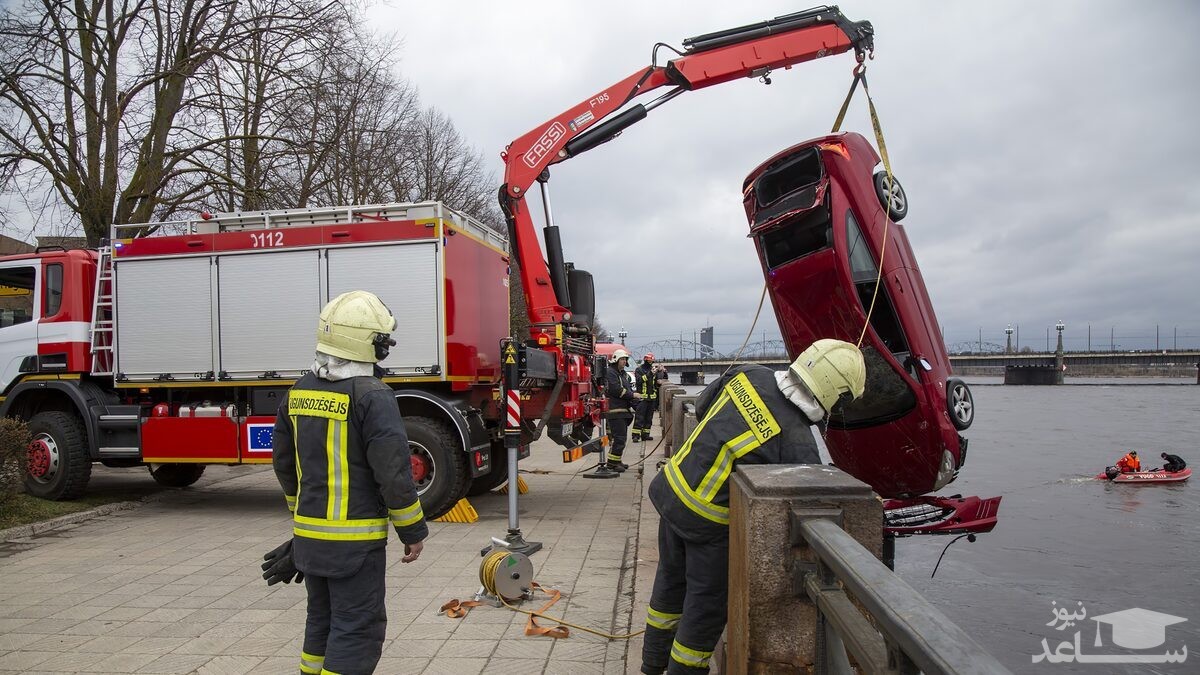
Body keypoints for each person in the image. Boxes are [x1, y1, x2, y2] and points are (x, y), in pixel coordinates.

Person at [641, 339, 866, 675]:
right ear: (837, 394)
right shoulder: (799, 442)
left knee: (669, 588)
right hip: (708, 525)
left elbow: (703, 406)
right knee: (704, 613)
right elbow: (804, 502)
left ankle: (651, 664)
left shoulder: (751, 374)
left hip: (672, 490)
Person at [268, 290, 428, 675]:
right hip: (355, 547)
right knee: (357, 630)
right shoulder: (373, 396)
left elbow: (283, 463)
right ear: (370, 343)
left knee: (321, 623)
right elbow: (393, 472)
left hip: (309, 541)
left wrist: (302, 519)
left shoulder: (299, 391)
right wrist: (412, 531)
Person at [595, 348, 640, 477]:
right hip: (615, 410)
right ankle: (612, 464)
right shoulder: (611, 373)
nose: (624, 361)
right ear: (616, 360)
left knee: (620, 438)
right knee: (619, 438)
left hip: (622, 410)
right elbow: (616, 390)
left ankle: (617, 460)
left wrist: (634, 401)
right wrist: (633, 395)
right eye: (622, 359)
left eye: (625, 359)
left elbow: (626, 388)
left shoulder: (622, 374)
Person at [633, 353, 659, 442]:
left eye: (652, 361)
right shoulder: (639, 370)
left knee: (649, 418)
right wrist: (649, 374)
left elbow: (655, 384)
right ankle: (636, 435)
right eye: (650, 361)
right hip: (642, 398)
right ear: (646, 360)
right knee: (639, 417)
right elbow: (639, 381)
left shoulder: (653, 370)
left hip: (652, 398)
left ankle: (645, 435)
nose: (651, 362)